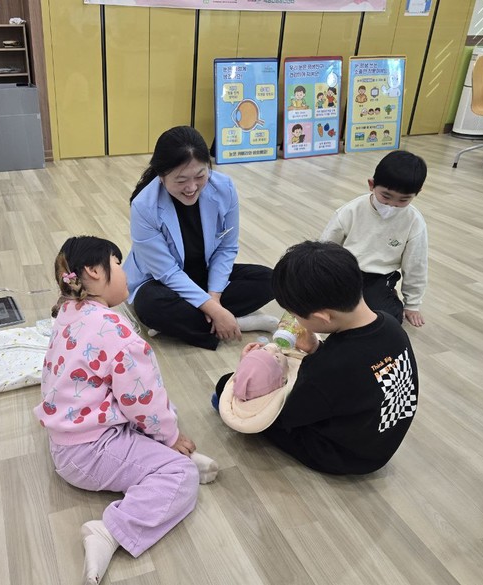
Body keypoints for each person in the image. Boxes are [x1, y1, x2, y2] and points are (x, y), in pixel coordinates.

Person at [34, 236, 219, 585]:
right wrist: (171, 437)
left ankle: (159, 453)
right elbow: (142, 400)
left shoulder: (68, 313)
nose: (125, 272)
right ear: (94, 271)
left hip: (70, 437)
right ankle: (109, 531)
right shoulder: (116, 331)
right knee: (180, 474)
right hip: (88, 451)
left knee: (160, 412)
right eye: (118, 264)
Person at [214, 241, 419, 475]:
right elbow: (358, 375)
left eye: (296, 315)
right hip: (379, 440)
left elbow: (287, 415)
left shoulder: (329, 367)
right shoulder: (389, 323)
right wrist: (315, 348)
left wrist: (248, 371)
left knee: (225, 385)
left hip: (342, 455)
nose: (295, 320)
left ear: (323, 317)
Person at [124, 126, 278, 350]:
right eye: (181, 180)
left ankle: (182, 324)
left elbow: (226, 248)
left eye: (200, 176)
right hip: (161, 281)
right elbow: (167, 272)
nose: (191, 187)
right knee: (150, 305)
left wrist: (213, 299)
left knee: (270, 279)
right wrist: (215, 311)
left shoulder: (224, 188)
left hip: (204, 273)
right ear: (161, 176)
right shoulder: (144, 206)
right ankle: (237, 322)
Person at [320, 150, 428, 327]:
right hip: (346, 271)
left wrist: (412, 304)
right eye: (386, 196)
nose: (392, 205)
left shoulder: (414, 222)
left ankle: (387, 295)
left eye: (403, 200)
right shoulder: (351, 210)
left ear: (417, 193)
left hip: (379, 277)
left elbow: (416, 265)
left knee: (387, 319)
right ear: (372, 184)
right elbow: (325, 247)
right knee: (321, 304)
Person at [212, 341, 302, 434]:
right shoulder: (287, 393)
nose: (277, 350)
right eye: (277, 357)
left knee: (223, 383)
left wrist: (245, 363)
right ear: (282, 379)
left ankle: (218, 399)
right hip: (280, 425)